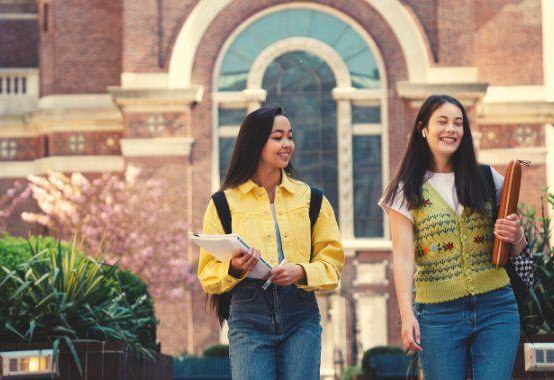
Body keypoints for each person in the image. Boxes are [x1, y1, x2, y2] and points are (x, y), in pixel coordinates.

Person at [379, 95, 527, 379]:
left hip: (496, 306)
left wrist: (517, 234)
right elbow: (402, 256)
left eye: (458, 123)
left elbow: (516, 241)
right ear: (423, 128)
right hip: (438, 315)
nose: (451, 129)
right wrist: (407, 314)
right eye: (442, 122)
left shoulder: (487, 178)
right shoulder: (405, 191)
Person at [197, 106, 344, 380]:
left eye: (290, 136)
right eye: (278, 137)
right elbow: (207, 276)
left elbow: (332, 265)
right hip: (248, 315)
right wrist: (235, 268)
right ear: (256, 142)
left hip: (300, 313)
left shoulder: (312, 199)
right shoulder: (223, 203)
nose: (287, 144)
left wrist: (300, 271)